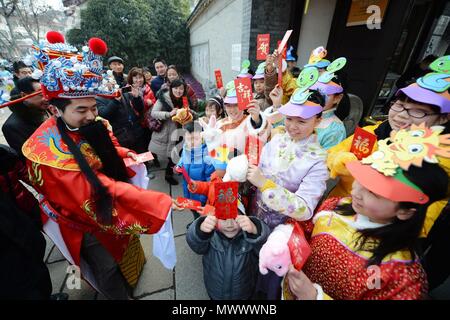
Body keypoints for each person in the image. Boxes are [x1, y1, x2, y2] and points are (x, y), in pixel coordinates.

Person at [22, 32, 173, 299]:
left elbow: (110, 148)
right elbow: (86, 194)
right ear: (56, 110)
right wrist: (155, 203)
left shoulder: (96, 122)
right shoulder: (45, 150)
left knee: (127, 246)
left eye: (93, 107)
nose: (92, 115)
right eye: (81, 110)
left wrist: (130, 155)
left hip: (110, 200)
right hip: (84, 219)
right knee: (106, 267)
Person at [284, 125, 449, 300]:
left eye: (372, 192)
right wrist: (282, 242)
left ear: (406, 211)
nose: (355, 192)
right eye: (360, 180)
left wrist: (315, 297)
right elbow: (301, 229)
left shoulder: (403, 277)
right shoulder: (335, 205)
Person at [247, 68, 329, 299]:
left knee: (272, 275)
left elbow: (304, 208)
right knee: (252, 260)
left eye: (302, 121)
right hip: (257, 213)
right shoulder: (280, 137)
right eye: (290, 118)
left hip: (282, 229)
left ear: (319, 119)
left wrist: (265, 185)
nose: (293, 126)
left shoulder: (319, 159)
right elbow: (260, 164)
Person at [0, 144, 67, 300]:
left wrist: (49, 193)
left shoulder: (5, 154)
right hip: (8, 230)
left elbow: (27, 175)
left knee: (36, 249)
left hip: (25, 211)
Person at [186, 211, 270, 300]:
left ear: (245, 217)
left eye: (235, 218)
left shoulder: (250, 236)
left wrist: (256, 230)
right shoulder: (210, 236)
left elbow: (266, 250)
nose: (229, 225)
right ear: (214, 217)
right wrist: (200, 231)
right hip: (215, 292)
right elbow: (196, 245)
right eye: (223, 218)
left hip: (244, 293)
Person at [149, 78, 191, 185]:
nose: (178, 91)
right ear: (171, 88)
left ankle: (171, 171)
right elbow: (154, 113)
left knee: (176, 154)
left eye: (181, 89)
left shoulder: (184, 99)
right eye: (176, 88)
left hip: (180, 131)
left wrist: (189, 113)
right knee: (171, 156)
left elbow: (187, 113)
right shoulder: (163, 99)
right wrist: (169, 114)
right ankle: (168, 175)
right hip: (167, 132)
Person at [175, 121, 215, 222]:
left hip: (202, 196)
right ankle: (195, 221)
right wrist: (179, 166)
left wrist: (204, 199)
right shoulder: (186, 148)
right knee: (193, 210)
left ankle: (200, 225)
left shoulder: (207, 157)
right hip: (189, 191)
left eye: (195, 139)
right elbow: (183, 159)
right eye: (188, 139)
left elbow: (211, 181)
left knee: (202, 216)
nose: (191, 142)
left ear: (202, 138)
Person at [2, 77, 49, 156]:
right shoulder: (12, 126)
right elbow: (29, 156)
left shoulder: (47, 108)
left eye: (46, 93)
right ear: (24, 96)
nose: (46, 98)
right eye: (41, 94)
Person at [310, 58, 347, 150]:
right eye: (313, 90)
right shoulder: (303, 111)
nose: (316, 95)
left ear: (337, 98)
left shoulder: (335, 130)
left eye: (323, 93)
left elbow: (328, 161)